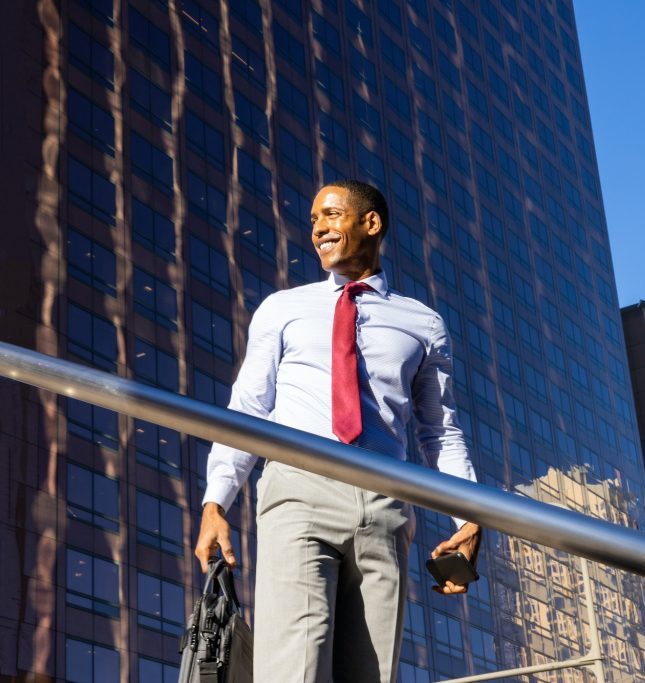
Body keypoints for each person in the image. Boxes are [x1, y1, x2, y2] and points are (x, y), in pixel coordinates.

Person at [193, 180, 482, 683]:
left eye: (331, 216)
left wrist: (469, 516)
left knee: (371, 675)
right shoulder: (283, 308)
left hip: (386, 504)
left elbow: (439, 431)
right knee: (293, 671)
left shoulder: (423, 323)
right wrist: (216, 501)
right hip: (299, 491)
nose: (319, 229)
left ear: (370, 223)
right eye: (313, 221)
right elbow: (248, 407)